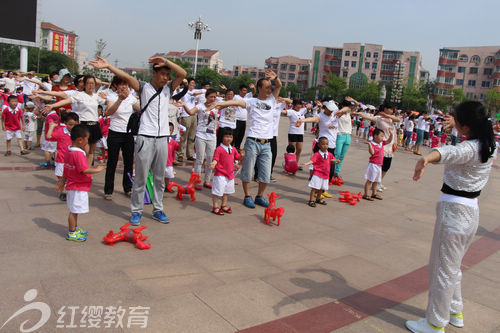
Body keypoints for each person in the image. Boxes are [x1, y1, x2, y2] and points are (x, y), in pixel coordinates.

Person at [406, 101, 496, 333]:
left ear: (466, 127)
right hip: (469, 211)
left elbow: (452, 152)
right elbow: (460, 149)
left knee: (442, 269)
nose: (451, 120)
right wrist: (456, 127)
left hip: (454, 213)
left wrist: (425, 159)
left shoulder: (471, 148)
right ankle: (455, 311)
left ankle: (435, 323)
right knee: (452, 266)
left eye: (456, 119)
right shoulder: (488, 144)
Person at [90, 55, 186, 225]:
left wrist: (167, 62)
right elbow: (127, 77)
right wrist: (108, 66)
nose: (166, 78)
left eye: (167, 75)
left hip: (163, 138)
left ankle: (158, 209)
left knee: (159, 177)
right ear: (154, 74)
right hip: (145, 138)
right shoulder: (143, 88)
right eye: (162, 74)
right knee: (141, 178)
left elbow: (182, 73)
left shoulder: (168, 89)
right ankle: (136, 211)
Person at [213, 70, 281, 208]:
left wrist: (275, 78)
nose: (269, 90)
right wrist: (221, 104)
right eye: (267, 87)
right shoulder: (251, 101)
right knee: (248, 171)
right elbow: (237, 102)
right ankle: (247, 196)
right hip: (253, 141)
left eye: (270, 87)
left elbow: (278, 86)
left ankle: (260, 196)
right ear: (260, 88)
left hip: (267, 143)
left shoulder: (272, 101)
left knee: (266, 174)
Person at [56, 125, 106, 242]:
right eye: (87, 139)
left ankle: (75, 228)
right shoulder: (78, 154)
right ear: (80, 140)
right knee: (74, 211)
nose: (87, 142)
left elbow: (66, 169)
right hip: (77, 186)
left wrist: (62, 181)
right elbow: (84, 169)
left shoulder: (70, 150)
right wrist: (98, 169)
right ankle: (72, 232)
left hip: (74, 185)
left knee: (75, 209)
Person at [103, 76, 139, 200]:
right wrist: (120, 99)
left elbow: (141, 108)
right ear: (115, 86)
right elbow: (109, 112)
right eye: (121, 84)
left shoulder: (131, 98)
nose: (124, 86)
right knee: (112, 162)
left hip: (128, 134)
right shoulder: (112, 97)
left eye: (126, 83)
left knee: (128, 162)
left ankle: (127, 187)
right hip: (115, 133)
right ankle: (108, 190)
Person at [296, 100, 339, 198]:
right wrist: (302, 120)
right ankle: (316, 190)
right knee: (319, 170)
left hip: (331, 146)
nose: (331, 112)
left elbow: (348, 109)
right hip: (321, 145)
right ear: (326, 108)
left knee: (330, 171)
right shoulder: (321, 116)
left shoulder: (335, 115)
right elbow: (313, 119)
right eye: (329, 110)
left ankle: (322, 190)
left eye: (332, 110)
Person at [180, 88, 220, 189]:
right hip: (201, 135)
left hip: (212, 136)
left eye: (215, 97)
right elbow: (190, 112)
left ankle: (207, 181)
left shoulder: (217, 105)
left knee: (210, 159)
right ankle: (196, 181)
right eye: (211, 96)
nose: (213, 98)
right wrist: (184, 105)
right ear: (206, 97)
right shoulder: (200, 106)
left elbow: (228, 104)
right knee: (199, 159)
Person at [209, 127, 243, 215]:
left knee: (227, 192)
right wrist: (213, 163)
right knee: (217, 191)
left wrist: (242, 155)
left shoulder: (233, 149)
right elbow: (216, 159)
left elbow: (237, 157)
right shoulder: (219, 149)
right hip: (220, 174)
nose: (229, 139)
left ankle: (223, 205)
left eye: (230, 137)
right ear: (222, 137)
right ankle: (215, 206)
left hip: (230, 175)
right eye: (226, 136)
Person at [47, 112, 80, 201]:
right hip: (62, 159)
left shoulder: (79, 133)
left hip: (74, 159)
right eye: (70, 124)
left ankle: (71, 191)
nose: (72, 126)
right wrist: (51, 127)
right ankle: (63, 192)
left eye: (75, 124)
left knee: (72, 177)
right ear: (65, 123)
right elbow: (49, 136)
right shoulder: (61, 131)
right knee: (61, 177)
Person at [301, 137, 339, 207]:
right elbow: (312, 160)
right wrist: (306, 164)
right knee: (314, 188)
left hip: (325, 174)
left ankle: (318, 199)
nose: (325, 146)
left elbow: (333, 160)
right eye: (323, 144)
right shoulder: (317, 154)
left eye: (327, 144)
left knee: (321, 188)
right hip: (317, 174)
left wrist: (336, 161)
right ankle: (311, 200)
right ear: (319, 145)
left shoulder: (329, 154)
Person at [363, 128, 392, 201]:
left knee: (376, 180)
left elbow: (389, 141)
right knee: (370, 180)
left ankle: (374, 193)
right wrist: (369, 144)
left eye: (383, 136)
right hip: (373, 165)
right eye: (381, 136)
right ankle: (366, 194)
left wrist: (391, 134)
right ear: (375, 136)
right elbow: (372, 153)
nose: (383, 138)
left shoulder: (381, 143)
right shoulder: (372, 144)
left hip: (379, 165)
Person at [334, 97, 359, 178]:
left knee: (342, 156)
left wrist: (353, 100)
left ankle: (337, 172)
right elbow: (338, 114)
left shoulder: (349, 113)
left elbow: (357, 105)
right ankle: (332, 171)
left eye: (350, 107)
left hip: (348, 136)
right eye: (349, 106)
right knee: (337, 154)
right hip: (340, 135)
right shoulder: (338, 113)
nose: (350, 108)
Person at [177, 78, 197, 162]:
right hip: (186, 115)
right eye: (191, 83)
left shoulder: (195, 92)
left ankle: (190, 154)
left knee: (192, 137)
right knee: (184, 137)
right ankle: (180, 154)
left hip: (194, 115)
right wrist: (183, 82)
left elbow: (204, 91)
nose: (193, 85)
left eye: (194, 84)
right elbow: (177, 88)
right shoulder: (183, 91)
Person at [283, 99, 307, 166]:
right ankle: (288, 165)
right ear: (294, 105)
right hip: (293, 133)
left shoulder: (303, 110)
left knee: (299, 150)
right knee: (291, 151)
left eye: (300, 104)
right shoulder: (291, 111)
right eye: (297, 104)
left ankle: (295, 165)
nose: (299, 106)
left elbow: (309, 107)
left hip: (300, 134)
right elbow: (284, 112)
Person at [233, 83, 255, 150]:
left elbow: (253, 92)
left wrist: (253, 87)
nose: (244, 92)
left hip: (244, 120)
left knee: (241, 136)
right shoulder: (236, 97)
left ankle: (237, 149)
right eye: (243, 90)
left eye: (245, 91)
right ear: (240, 90)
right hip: (236, 119)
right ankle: (233, 148)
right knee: (235, 136)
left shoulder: (247, 96)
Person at [164, 122, 181, 191]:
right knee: (159, 175)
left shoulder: (173, 141)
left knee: (167, 176)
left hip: (169, 162)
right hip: (160, 162)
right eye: (167, 130)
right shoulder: (161, 140)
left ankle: (167, 187)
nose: (168, 132)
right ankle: (158, 187)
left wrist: (181, 142)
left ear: (172, 131)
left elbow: (178, 148)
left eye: (170, 130)